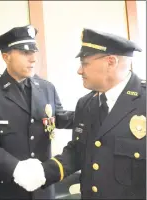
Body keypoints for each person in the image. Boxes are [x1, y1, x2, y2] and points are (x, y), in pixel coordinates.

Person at [0, 25, 74, 199]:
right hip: (2, 189)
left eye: (34, 53)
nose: (33, 59)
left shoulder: (46, 88)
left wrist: (89, 112)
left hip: (41, 188)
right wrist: (14, 167)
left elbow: (58, 117)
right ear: (6, 57)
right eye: (24, 53)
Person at [41, 28, 146, 199]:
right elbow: (78, 152)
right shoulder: (86, 104)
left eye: (85, 63)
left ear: (111, 62)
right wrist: (42, 172)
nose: (79, 71)